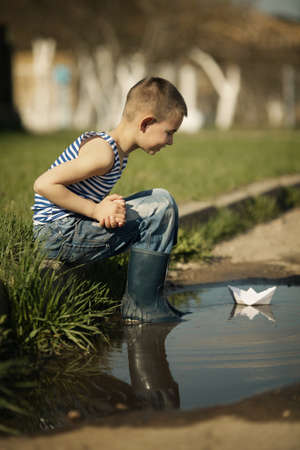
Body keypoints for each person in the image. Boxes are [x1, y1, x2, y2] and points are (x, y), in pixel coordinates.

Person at [32, 77, 188, 323]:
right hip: (57, 234)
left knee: (159, 198)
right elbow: (43, 184)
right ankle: (142, 306)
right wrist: (95, 210)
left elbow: (81, 190)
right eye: (169, 133)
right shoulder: (103, 154)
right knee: (160, 209)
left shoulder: (114, 151)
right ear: (146, 123)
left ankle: (151, 300)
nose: (170, 141)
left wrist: (107, 206)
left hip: (68, 228)